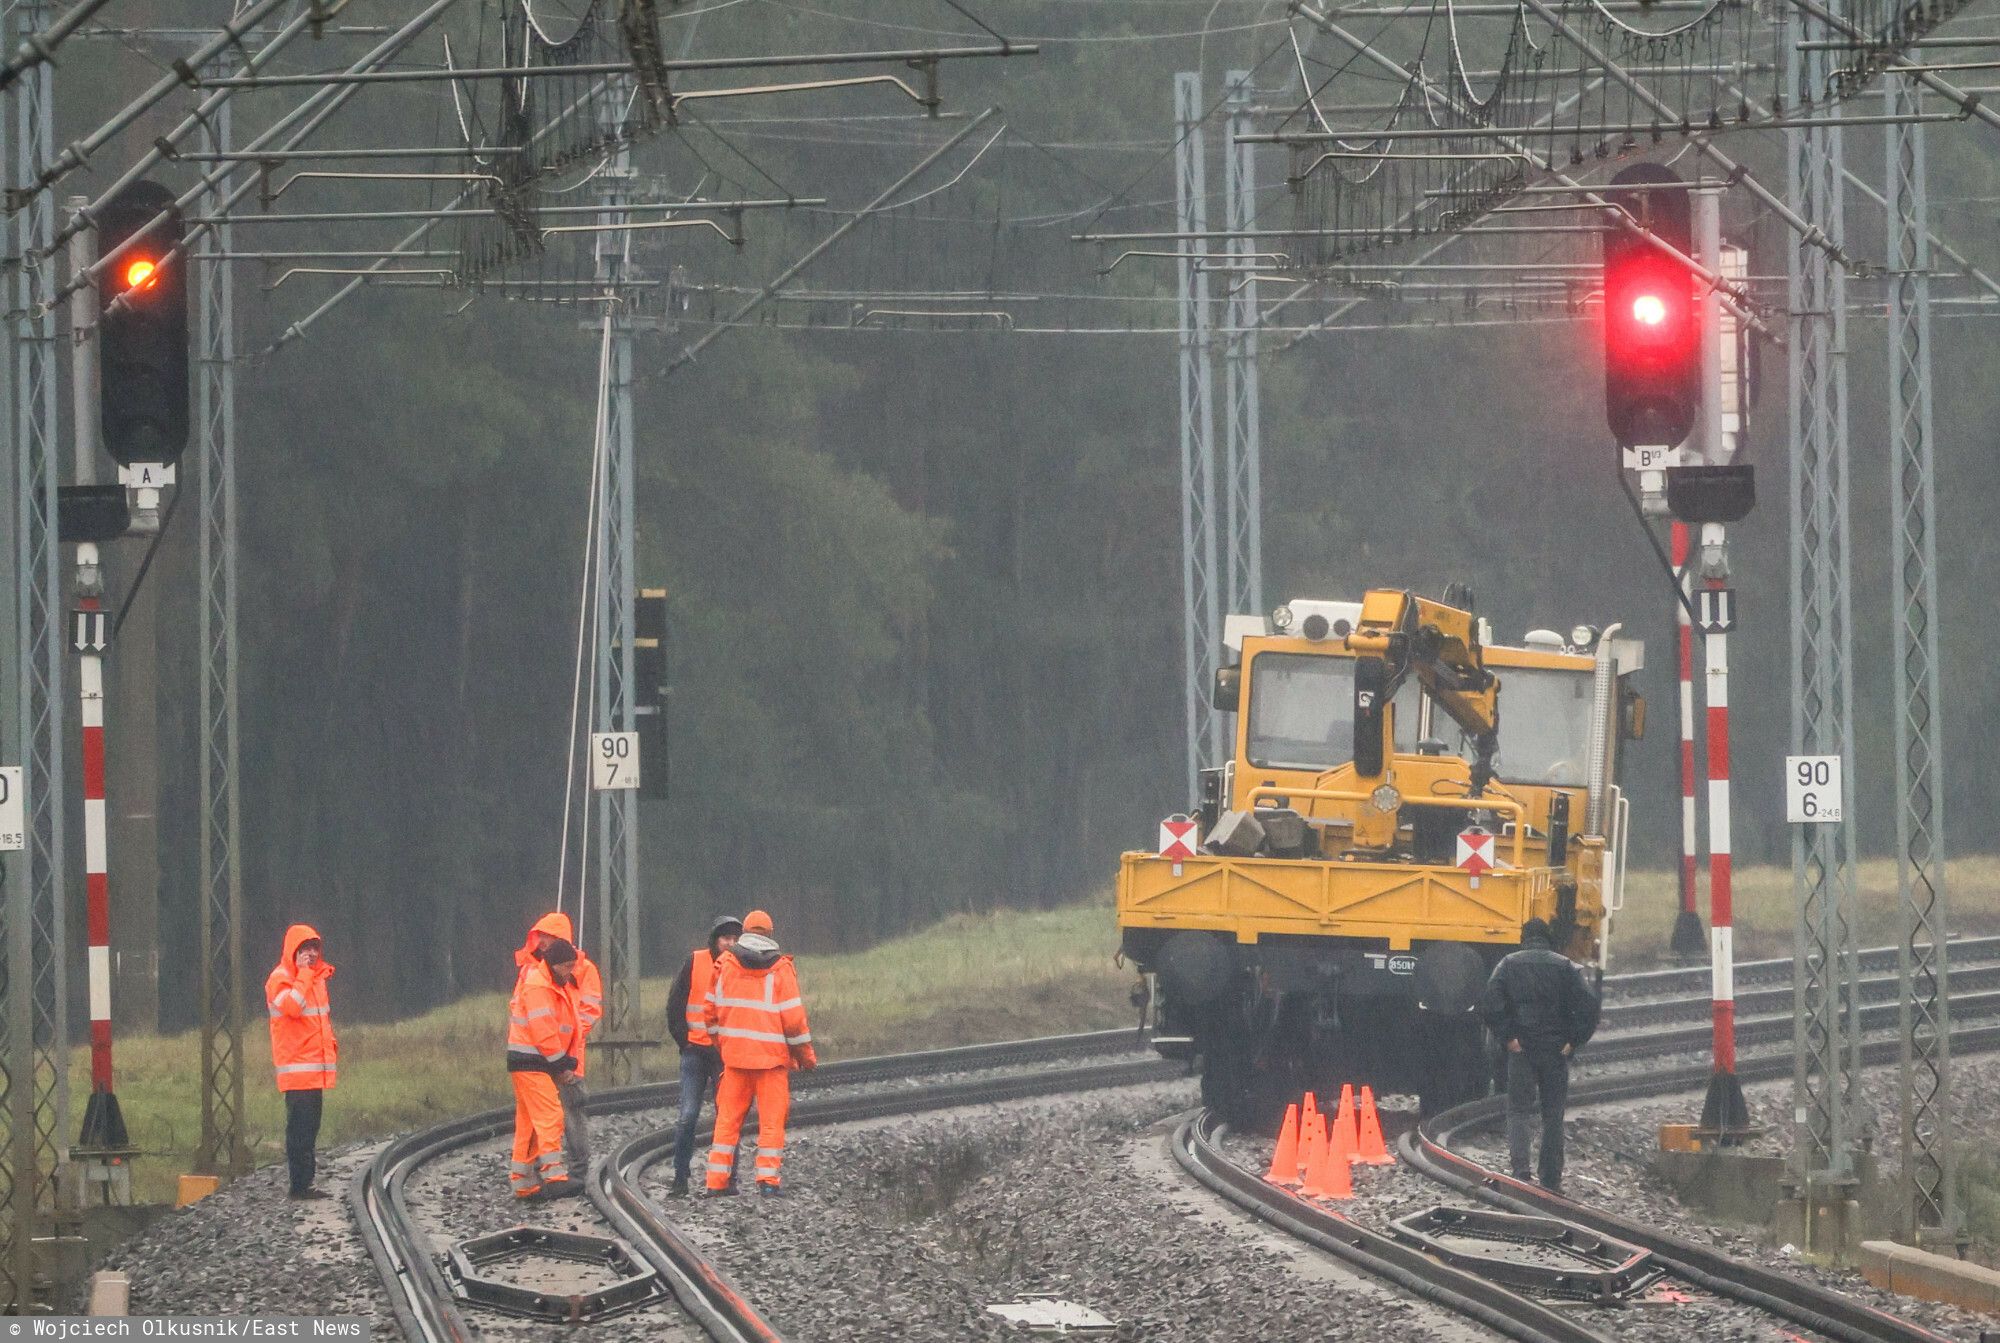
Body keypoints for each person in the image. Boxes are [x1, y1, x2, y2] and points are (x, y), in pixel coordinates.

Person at [1478, 917, 1602, 1194]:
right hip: (1555, 1052)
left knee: (1519, 1110)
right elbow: (1589, 1008)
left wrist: (1508, 1037)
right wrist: (1572, 1041)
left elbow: (1489, 1004)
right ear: (1548, 939)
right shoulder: (1565, 967)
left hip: (1522, 1049)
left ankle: (1521, 1171)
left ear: (1525, 938)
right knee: (1553, 1114)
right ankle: (1550, 1177)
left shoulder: (1508, 964)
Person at [703, 909, 816, 1197]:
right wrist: (805, 1057)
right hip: (772, 1062)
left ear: (745, 932)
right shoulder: (781, 969)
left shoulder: (724, 964)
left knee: (727, 1123)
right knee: (771, 1123)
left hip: (735, 1061)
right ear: (769, 933)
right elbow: (793, 1021)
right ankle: (767, 1181)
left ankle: (716, 1183)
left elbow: (710, 1014)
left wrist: (723, 1046)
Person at [515, 912, 603, 1173]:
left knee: (572, 1111)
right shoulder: (531, 971)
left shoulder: (584, 969)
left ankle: (577, 1168)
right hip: (536, 1057)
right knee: (538, 1116)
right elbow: (521, 1011)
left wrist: (567, 1042)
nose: (541, 942)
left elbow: (590, 1010)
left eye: (547, 937)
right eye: (539, 936)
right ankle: (542, 1169)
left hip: (567, 1058)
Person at [664, 915, 743, 1196]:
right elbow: (675, 1004)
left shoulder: (742, 967)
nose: (730, 943)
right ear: (715, 940)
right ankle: (680, 1177)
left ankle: (728, 1179)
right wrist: (684, 1040)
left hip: (725, 1056)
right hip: (695, 1053)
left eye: (735, 939)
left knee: (728, 1117)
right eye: (726, 938)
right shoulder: (694, 961)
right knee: (688, 1117)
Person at [506, 934, 585, 1201]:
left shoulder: (550, 983)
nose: (570, 971)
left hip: (529, 1061)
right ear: (555, 965)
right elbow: (544, 1033)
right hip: (533, 1061)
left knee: (528, 1123)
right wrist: (562, 1064)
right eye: (567, 966)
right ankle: (554, 1175)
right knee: (551, 1115)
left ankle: (523, 1183)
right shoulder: (540, 986)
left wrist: (565, 1059)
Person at [266, 924, 338, 1200]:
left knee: (310, 1130)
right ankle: (299, 1186)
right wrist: (305, 974)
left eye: (314, 948)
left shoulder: (315, 980)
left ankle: (305, 1183)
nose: (310, 954)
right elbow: (293, 1007)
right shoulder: (280, 979)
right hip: (297, 1074)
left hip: (313, 1072)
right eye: (304, 948)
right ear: (292, 951)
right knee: (299, 1132)